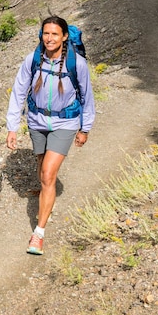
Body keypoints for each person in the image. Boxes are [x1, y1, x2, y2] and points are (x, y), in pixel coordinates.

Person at [5, 15, 95, 255]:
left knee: (47, 173)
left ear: (64, 36)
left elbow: (87, 97)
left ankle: (39, 233)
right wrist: (12, 127)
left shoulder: (77, 64)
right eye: (46, 33)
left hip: (65, 122)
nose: (49, 38)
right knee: (41, 164)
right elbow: (19, 91)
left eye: (55, 34)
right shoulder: (33, 59)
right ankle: (47, 190)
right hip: (36, 120)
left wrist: (85, 128)